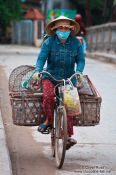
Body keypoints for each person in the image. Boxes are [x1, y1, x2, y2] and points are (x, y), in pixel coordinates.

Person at [33, 16, 85, 149]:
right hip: (50, 77)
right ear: (55, 29)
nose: (63, 30)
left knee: (70, 103)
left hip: (68, 78)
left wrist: (79, 71)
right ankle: (49, 120)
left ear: (70, 29)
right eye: (60, 27)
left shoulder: (76, 43)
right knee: (49, 97)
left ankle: (67, 136)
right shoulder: (49, 42)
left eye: (66, 28)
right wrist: (37, 71)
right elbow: (41, 59)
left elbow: (81, 60)